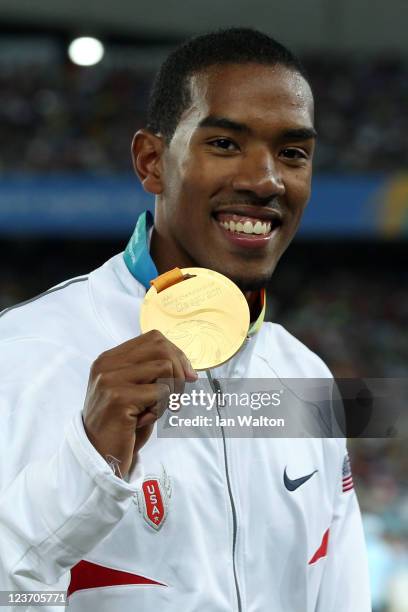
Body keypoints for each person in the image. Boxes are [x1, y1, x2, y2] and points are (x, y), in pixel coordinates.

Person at [0, 28, 371, 611]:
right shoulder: (23, 357)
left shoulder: (307, 380)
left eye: (293, 153)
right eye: (225, 143)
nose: (265, 180)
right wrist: (86, 467)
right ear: (152, 162)